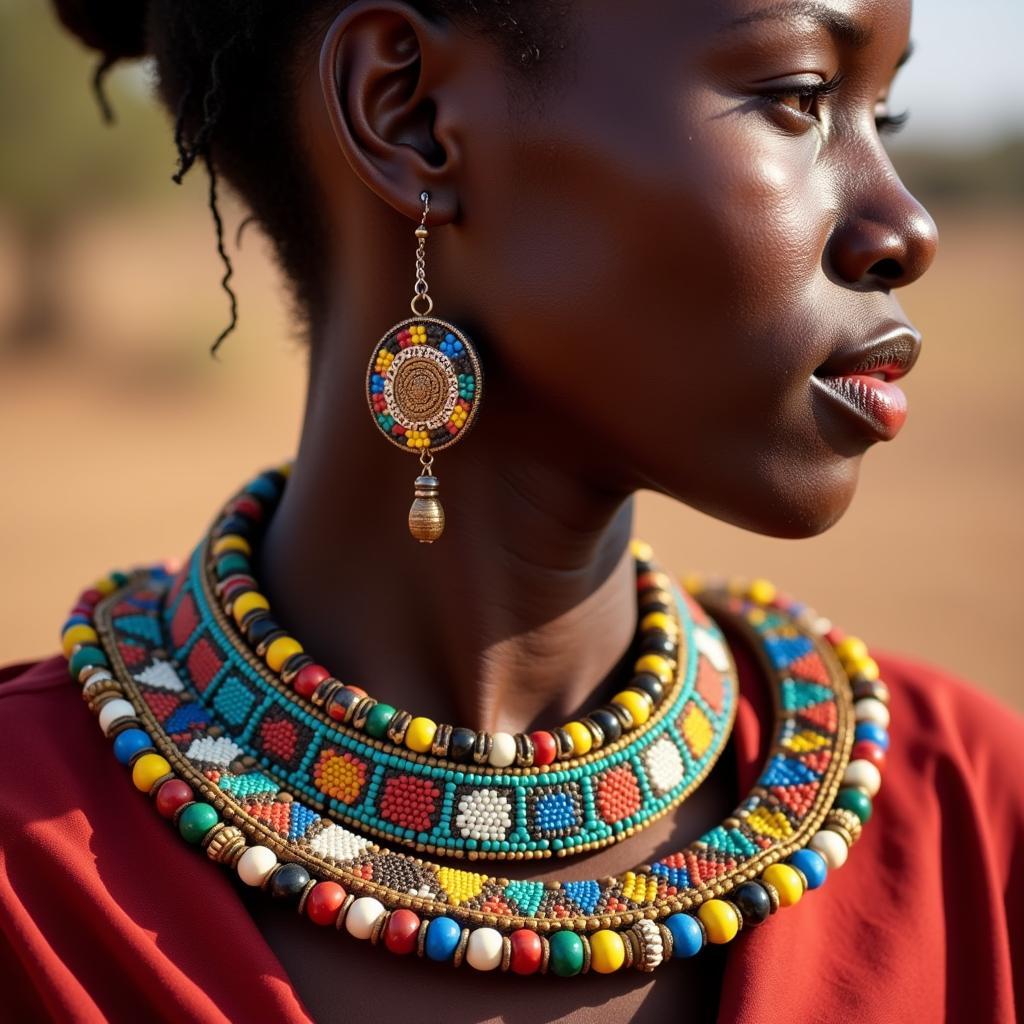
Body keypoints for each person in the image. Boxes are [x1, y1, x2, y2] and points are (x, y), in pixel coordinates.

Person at [1, 1, 1021, 1022]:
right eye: (798, 98)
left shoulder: (971, 814)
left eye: (878, 117)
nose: (905, 227)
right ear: (409, 115)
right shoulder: (30, 879)